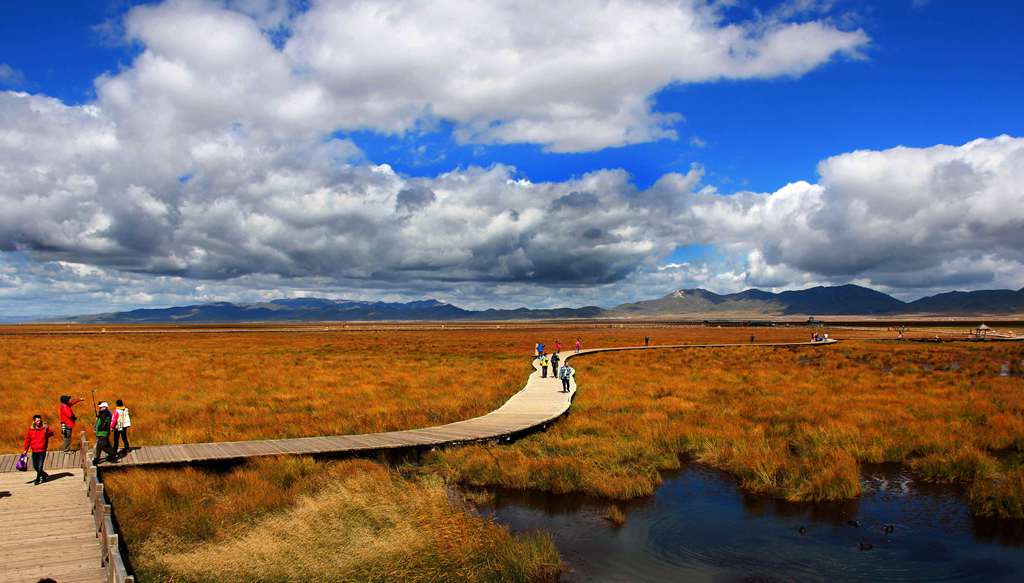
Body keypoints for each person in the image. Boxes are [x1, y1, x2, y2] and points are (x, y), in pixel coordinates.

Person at [23, 415, 54, 485]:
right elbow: (27, 440)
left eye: (39, 420)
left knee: (40, 466)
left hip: (42, 450)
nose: (39, 422)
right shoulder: (30, 430)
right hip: (34, 450)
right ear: (34, 421)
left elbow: (51, 434)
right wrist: (25, 449)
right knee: (35, 466)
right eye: (37, 421)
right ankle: (44, 474)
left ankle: (37, 479)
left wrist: (47, 429)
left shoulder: (44, 428)